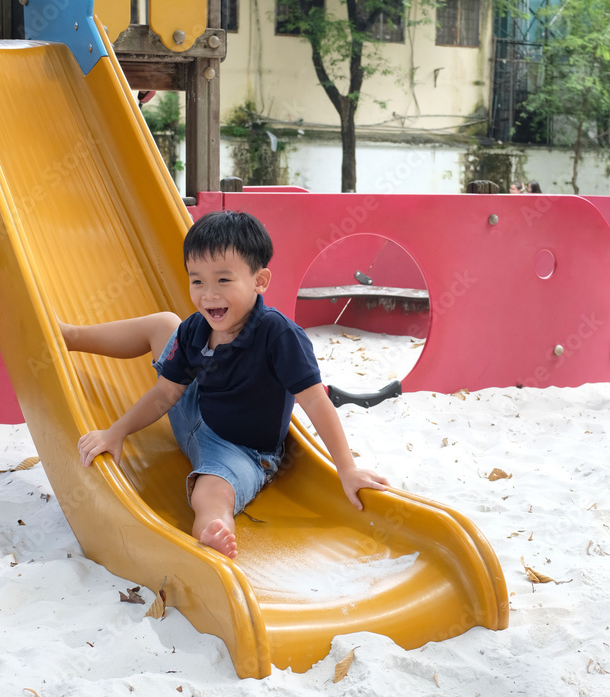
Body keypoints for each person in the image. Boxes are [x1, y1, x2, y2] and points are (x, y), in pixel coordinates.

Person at [60, 210, 389, 560]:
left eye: (223, 281)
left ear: (259, 281)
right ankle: (71, 336)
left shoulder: (279, 336)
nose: (208, 295)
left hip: (240, 450)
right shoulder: (194, 328)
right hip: (196, 408)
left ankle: (213, 529)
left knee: (212, 491)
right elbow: (166, 394)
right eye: (197, 281)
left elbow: (315, 402)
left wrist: (347, 468)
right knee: (164, 324)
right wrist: (117, 432)